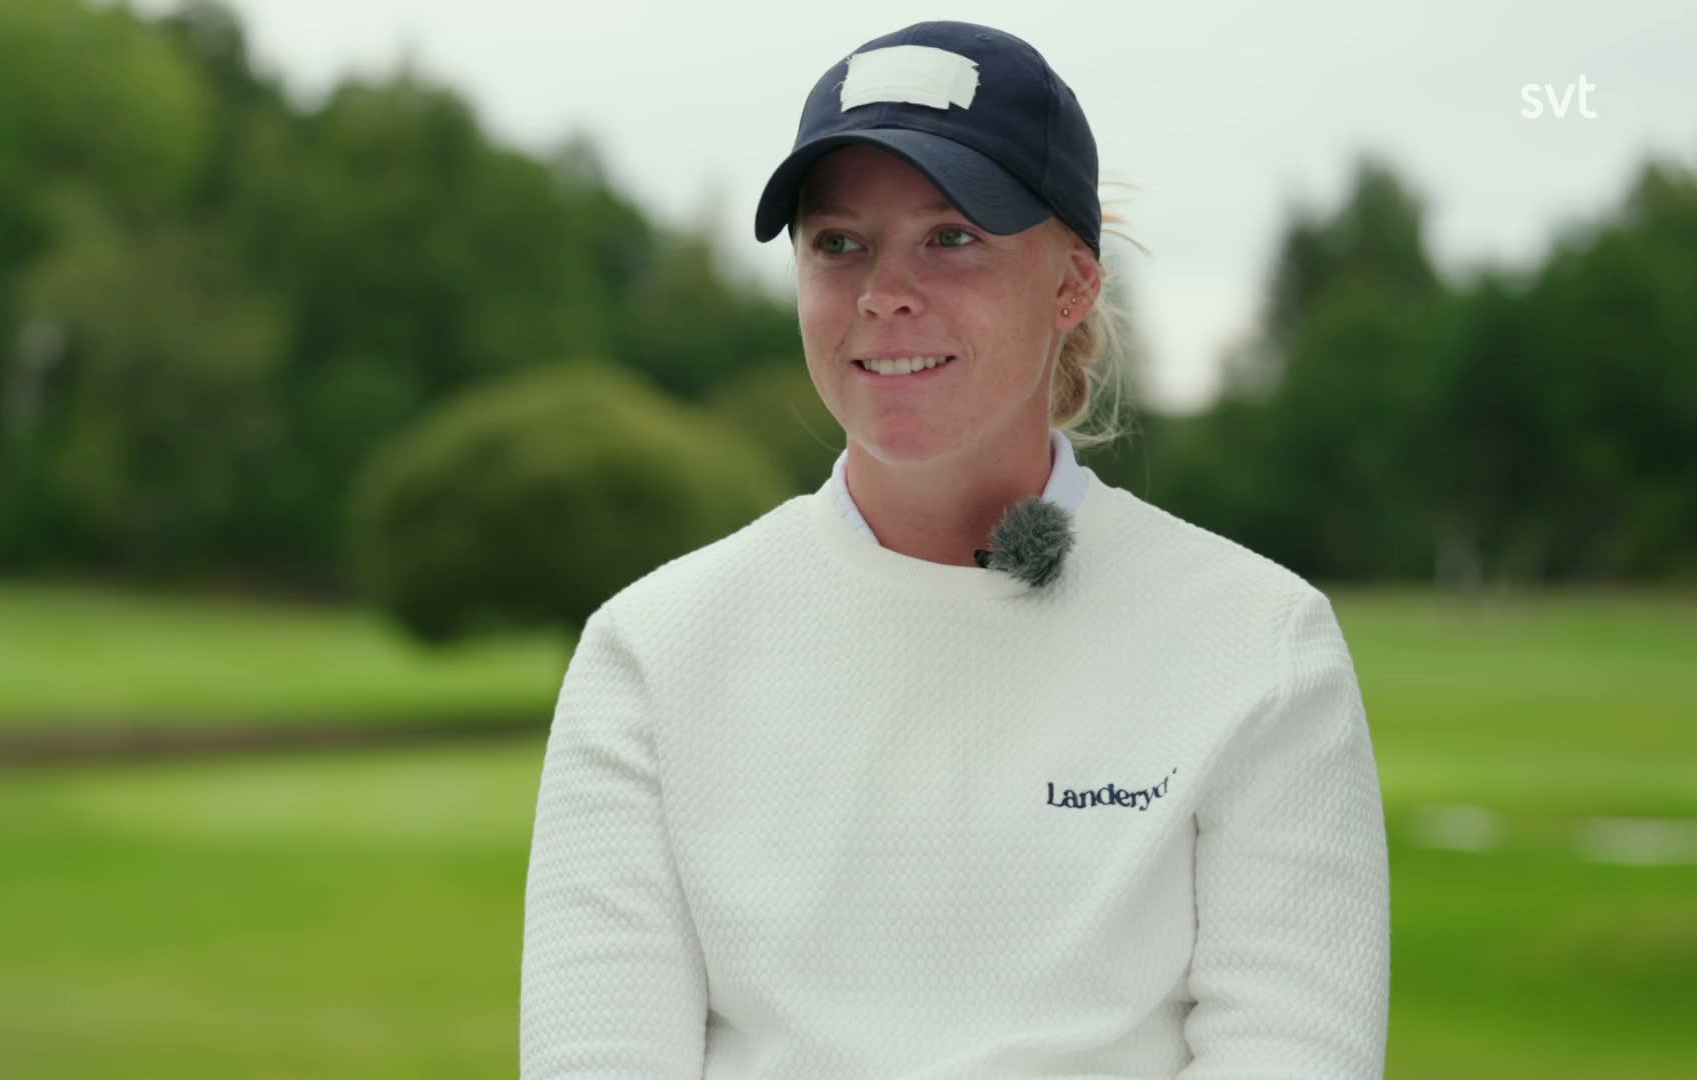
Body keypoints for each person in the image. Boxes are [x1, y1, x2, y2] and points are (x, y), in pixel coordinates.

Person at [520, 19, 1388, 1079]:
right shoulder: (652, 654)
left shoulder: (1258, 644)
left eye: (952, 237)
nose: (884, 291)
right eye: (839, 244)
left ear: (1073, 283)